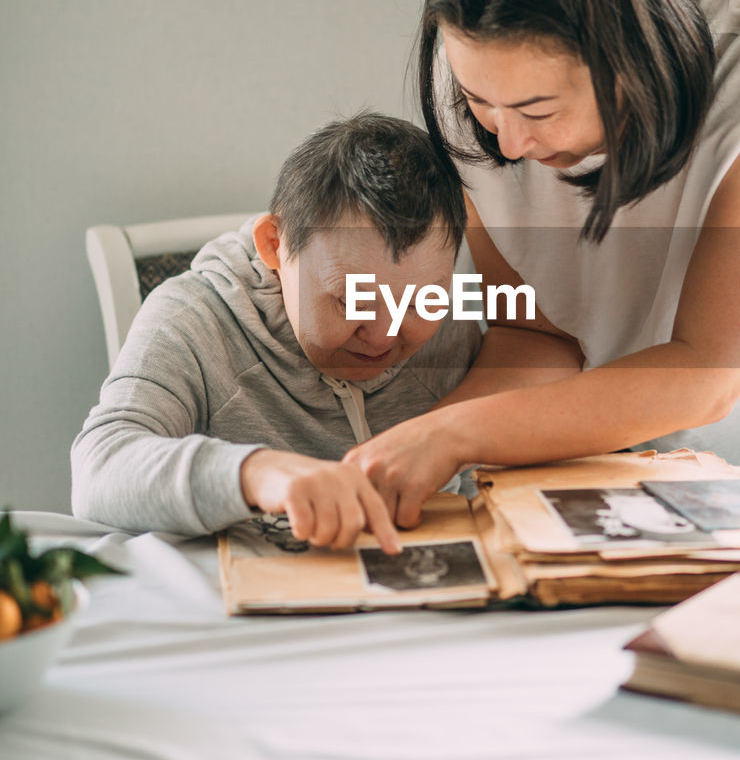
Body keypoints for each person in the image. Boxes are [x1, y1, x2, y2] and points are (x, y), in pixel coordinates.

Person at [344, 0, 740, 525]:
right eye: (478, 102)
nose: (508, 141)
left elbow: (708, 370)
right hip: (604, 436)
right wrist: (418, 448)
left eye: (538, 111)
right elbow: (531, 329)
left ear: (630, 64)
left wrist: (456, 437)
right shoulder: (478, 64)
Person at [71, 114, 481, 549]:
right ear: (274, 244)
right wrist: (256, 473)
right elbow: (99, 469)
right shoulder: (191, 319)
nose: (383, 335)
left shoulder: (453, 321)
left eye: (420, 301)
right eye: (348, 299)